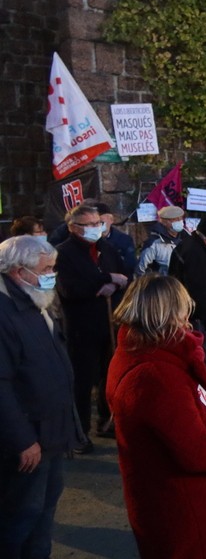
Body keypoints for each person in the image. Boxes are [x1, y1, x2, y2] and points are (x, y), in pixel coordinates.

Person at [106, 274, 206, 558]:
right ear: (167, 314)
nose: (188, 317)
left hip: (166, 498)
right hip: (184, 506)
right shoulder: (155, 375)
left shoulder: (140, 351)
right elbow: (195, 452)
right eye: (183, 309)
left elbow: (181, 399)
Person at [0, 236, 81, 559]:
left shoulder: (35, 300)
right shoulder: (5, 312)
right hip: (29, 438)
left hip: (51, 431)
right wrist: (22, 440)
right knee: (21, 518)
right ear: (19, 272)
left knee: (42, 515)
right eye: (46, 269)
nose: (52, 275)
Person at [55, 204, 130, 452]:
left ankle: (106, 422)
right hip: (81, 327)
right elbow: (69, 290)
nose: (95, 228)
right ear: (73, 227)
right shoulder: (63, 254)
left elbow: (124, 276)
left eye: (97, 223)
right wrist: (106, 280)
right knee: (82, 382)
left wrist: (116, 285)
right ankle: (79, 431)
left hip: (108, 324)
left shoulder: (106, 248)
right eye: (88, 224)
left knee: (109, 376)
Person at [168, 215, 206, 339]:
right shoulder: (198, 254)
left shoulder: (186, 245)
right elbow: (200, 289)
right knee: (198, 351)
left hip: (179, 309)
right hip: (193, 316)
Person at [136, 205, 186, 276]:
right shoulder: (154, 243)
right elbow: (141, 269)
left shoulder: (187, 238)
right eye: (175, 219)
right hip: (164, 284)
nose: (179, 221)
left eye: (180, 218)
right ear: (164, 222)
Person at [97, 202, 137, 277]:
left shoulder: (124, 240)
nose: (98, 225)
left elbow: (130, 265)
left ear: (111, 220)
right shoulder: (88, 240)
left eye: (101, 222)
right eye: (94, 223)